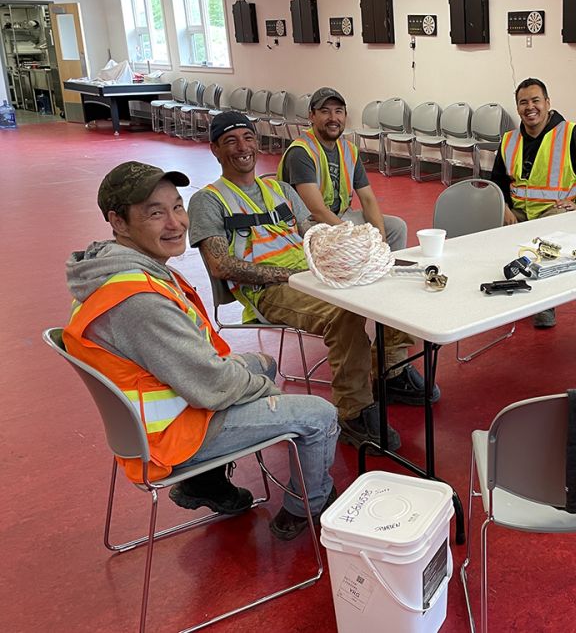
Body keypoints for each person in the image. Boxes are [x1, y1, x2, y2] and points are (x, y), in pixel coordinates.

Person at [64, 161, 339, 540]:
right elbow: (210, 384)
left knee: (266, 364)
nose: (175, 223)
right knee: (320, 415)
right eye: (155, 213)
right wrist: (265, 392)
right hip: (175, 435)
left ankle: (205, 484)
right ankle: (307, 507)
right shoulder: (139, 301)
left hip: (164, 403)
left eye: (177, 207)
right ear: (119, 222)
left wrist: (252, 375)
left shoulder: (117, 269)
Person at [188, 111, 440, 452]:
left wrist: (356, 246)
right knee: (345, 314)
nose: (242, 147)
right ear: (216, 150)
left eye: (247, 138)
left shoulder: (280, 189)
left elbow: (314, 235)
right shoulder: (208, 200)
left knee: (389, 290)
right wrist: (290, 276)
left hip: (312, 275)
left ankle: (391, 374)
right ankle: (353, 411)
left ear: (257, 143)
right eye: (230, 141)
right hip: (270, 291)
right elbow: (221, 265)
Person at [490, 77, 576, 327]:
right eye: (523, 102)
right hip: (520, 212)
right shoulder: (509, 139)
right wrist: (503, 206)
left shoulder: (571, 134)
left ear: (547, 103)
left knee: (542, 237)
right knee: (486, 224)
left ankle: (544, 304)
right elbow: (497, 181)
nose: (529, 107)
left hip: (557, 214)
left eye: (536, 100)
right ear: (517, 108)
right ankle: (506, 290)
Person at [277, 87, 408, 252]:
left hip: (342, 216)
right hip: (311, 225)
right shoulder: (301, 152)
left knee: (396, 228)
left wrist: (381, 241)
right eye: (325, 112)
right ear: (312, 116)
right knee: (350, 245)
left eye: (338, 111)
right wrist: (353, 236)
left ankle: (386, 271)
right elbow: (317, 211)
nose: (333, 118)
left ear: (345, 116)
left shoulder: (349, 150)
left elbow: (367, 199)